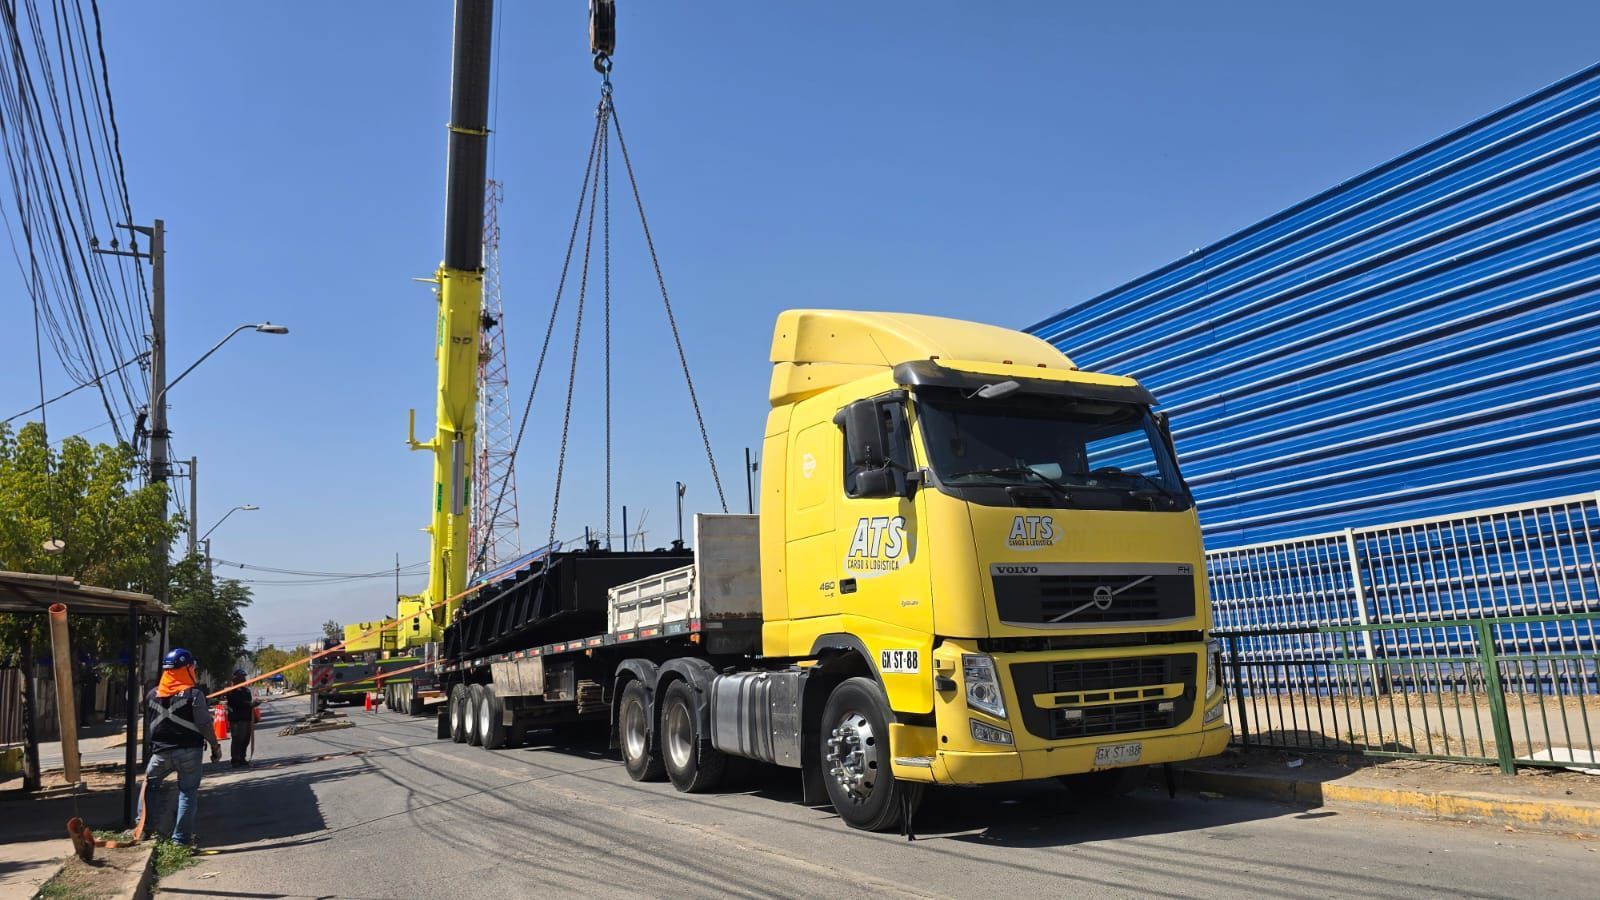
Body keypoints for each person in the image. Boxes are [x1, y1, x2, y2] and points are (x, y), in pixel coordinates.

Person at [139, 648, 222, 846]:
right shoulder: (194, 695)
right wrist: (214, 746)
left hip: (160, 752)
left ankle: (142, 830)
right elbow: (204, 724)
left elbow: (149, 725)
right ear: (185, 669)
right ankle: (181, 840)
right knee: (188, 792)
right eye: (191, 667)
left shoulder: (152, 694)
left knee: (150, 786)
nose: (193, 670)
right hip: (189, 752)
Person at [224, 669, 259, 767]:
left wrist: (254, 704)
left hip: (246, 718)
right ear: (235, 678)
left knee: (245, 739)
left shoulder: (246, 690)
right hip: (236, 719)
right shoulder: (231, 691)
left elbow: (248, 703)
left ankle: (242, 758)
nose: (243, 678)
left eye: (244, 676)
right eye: (241, 676)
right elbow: (237, 702)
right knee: (237, 739)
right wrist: (250, 704)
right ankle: (235, 759)